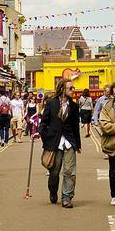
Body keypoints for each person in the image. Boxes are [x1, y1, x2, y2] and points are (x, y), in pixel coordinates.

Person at [38, 79, 81, 209]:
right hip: (54, 143)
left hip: (69, 142)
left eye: (73, 88)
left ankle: (67, 198)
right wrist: (44, 137)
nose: (73, 90)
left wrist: (77, 144)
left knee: (70, 172)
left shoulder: (74, 106)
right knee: (54, 172)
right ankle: (53, 191)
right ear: (62, 89)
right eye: (70, 88)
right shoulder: (51, 103)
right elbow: (44, 123)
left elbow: (75, 127)